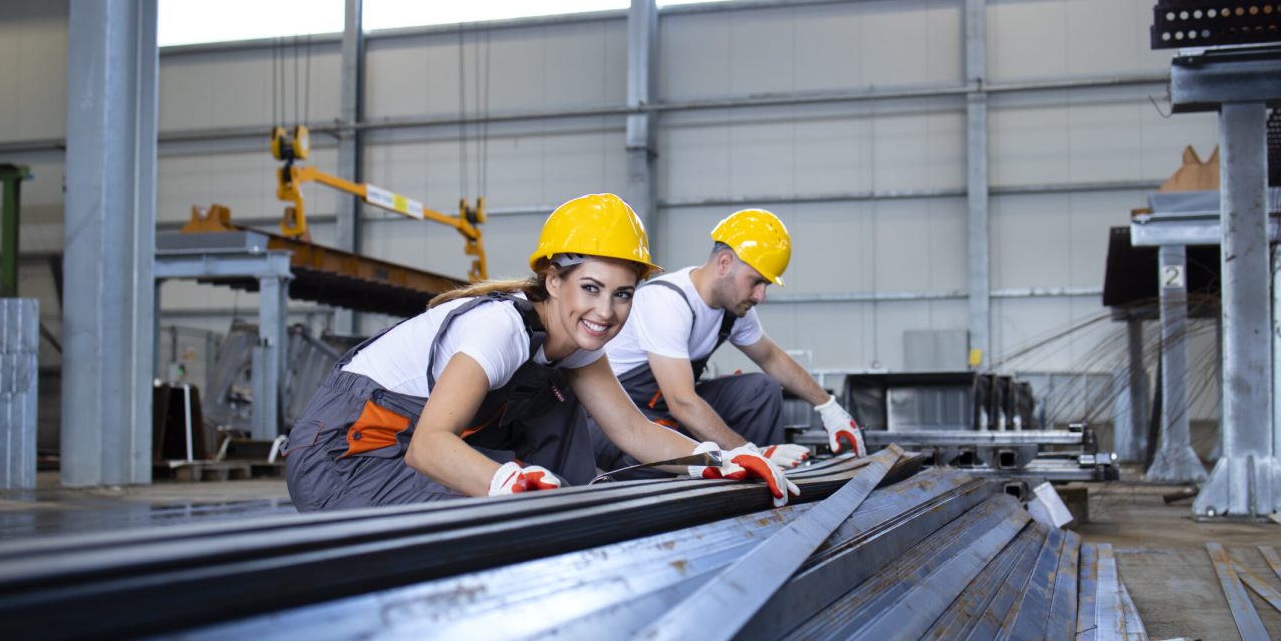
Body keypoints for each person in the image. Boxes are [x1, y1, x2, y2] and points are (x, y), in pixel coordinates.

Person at [285, 193, 799, 511]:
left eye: (623, 294)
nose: (607, 311)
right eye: (592, 288)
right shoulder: (499, 329)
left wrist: (722, 461)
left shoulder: (575, 341)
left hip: (405, 452)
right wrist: (502, 482)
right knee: (500, 516)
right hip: (345, 456)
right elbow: (428, 447)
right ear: (554, 281)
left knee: (558, 440)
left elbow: (633, 431)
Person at [591, 208, 864, 472]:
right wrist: (750, 451)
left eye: (765, 285)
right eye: (756, 281)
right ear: (724, 263)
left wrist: (828, 407)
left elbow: (772, 358)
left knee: (761, 389)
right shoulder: (669, 301)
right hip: (615, 417)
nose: (761, 296)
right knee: (664, 454)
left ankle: (756, 485)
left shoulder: (733, 310)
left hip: (667, 411)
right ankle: (748, 465)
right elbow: (682, 401)